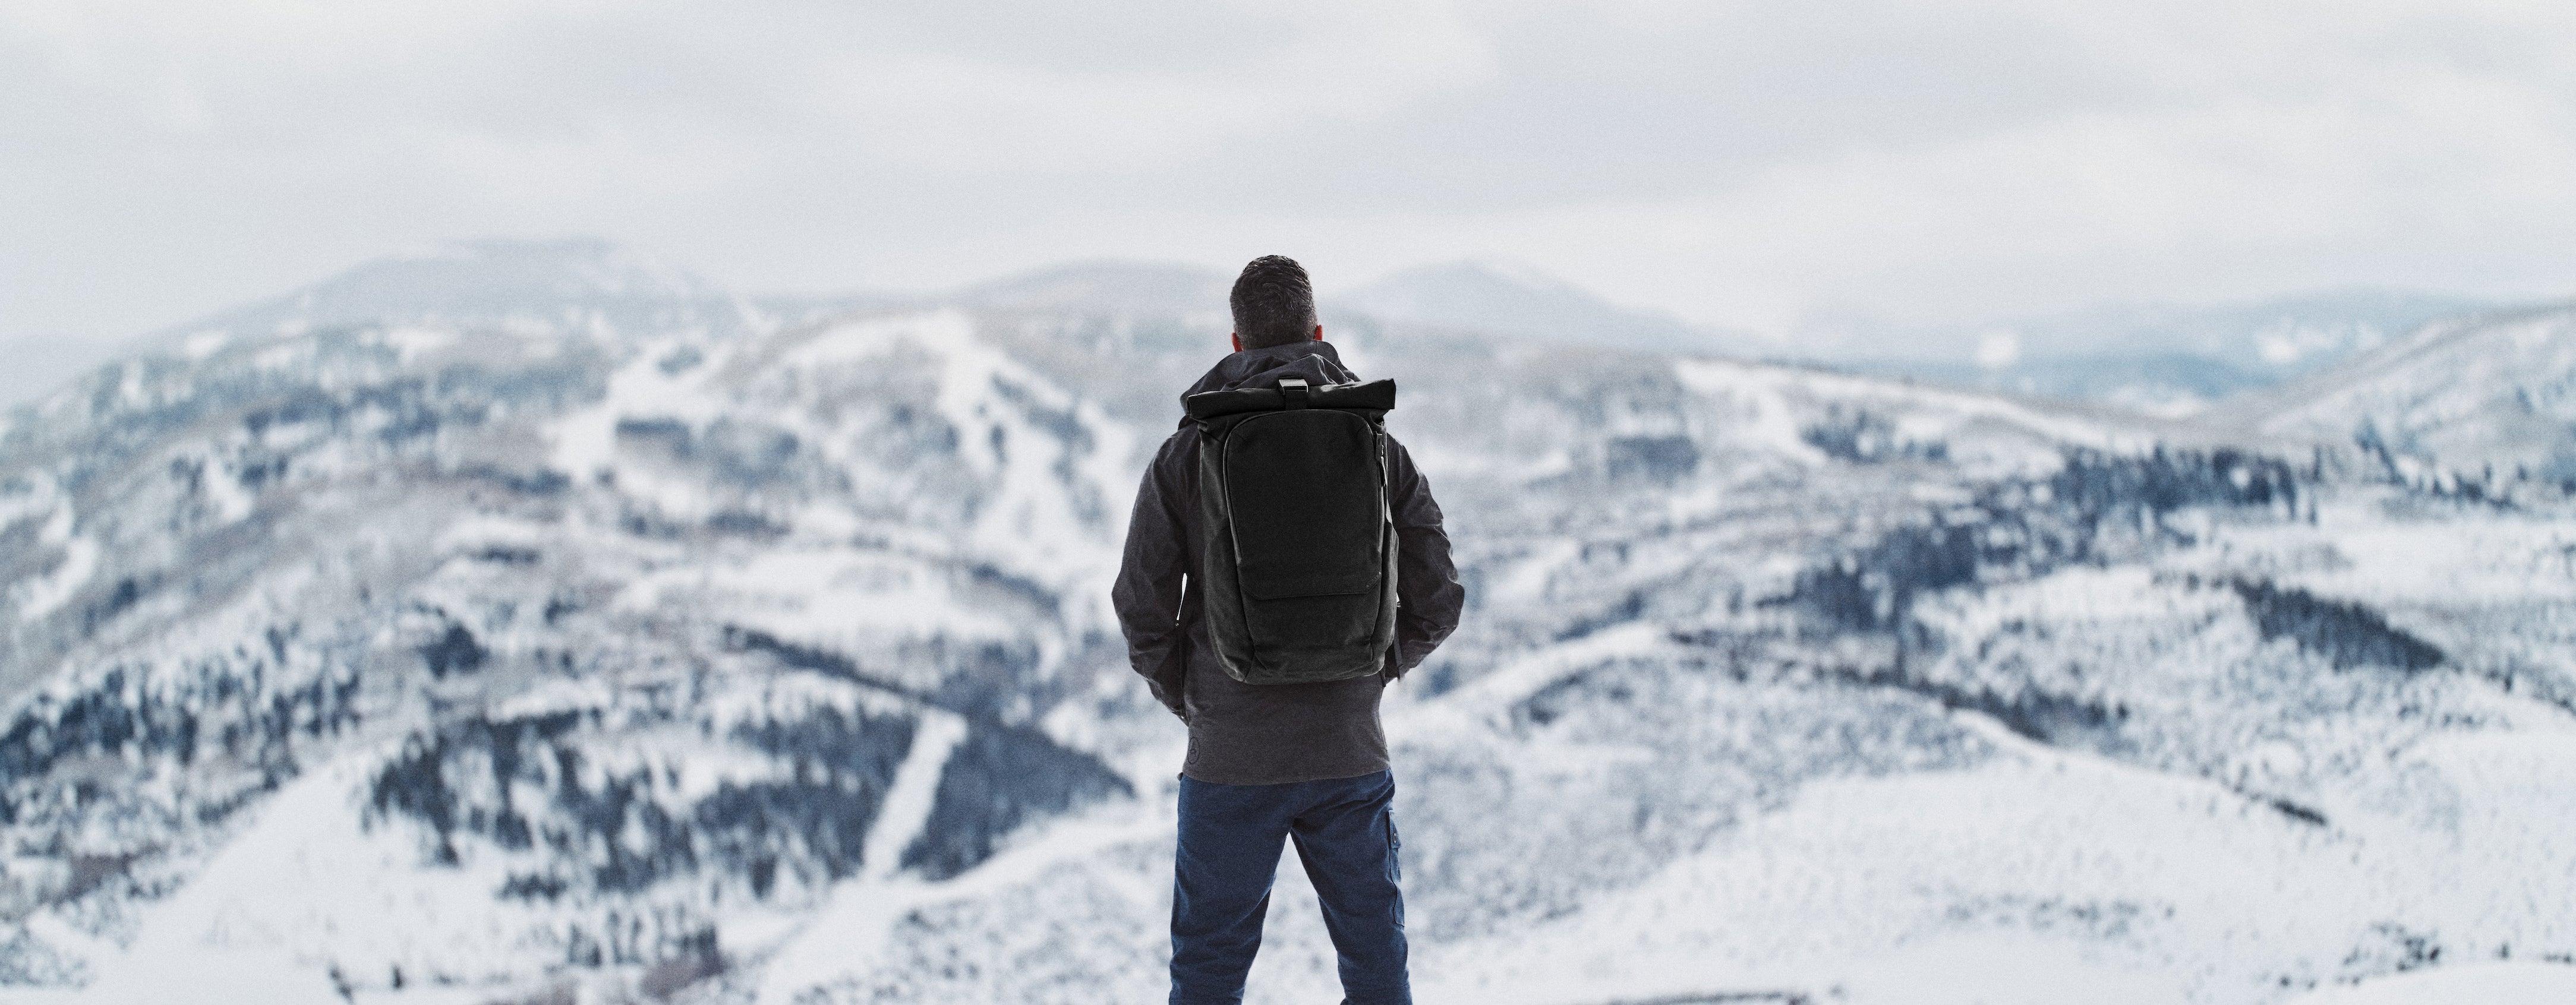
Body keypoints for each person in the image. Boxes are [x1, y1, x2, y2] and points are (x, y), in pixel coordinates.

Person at [1113, 255, 1465, 1005]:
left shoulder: (1186, 454)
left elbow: (1142, 607)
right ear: (1318, 333)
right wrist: (1372, 671)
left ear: (1236, 344)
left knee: (1208, 971)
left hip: (1229, 760)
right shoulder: (1375, 446)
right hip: (1349, 750)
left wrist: (1199, 696)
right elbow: (1439, 596)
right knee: (1376, 965)